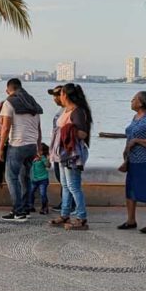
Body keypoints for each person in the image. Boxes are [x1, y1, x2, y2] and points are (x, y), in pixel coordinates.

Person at [101, 90, 146, 234]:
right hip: (134, 161)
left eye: (134, 99)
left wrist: (137, 141)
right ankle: (131, 220)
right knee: (130, 191)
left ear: (142, 102)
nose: (131, 101)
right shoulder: (135, 118)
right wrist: (126, 156)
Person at [0, 78, 43, 222]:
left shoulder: (9, 102)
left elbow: (5, 128)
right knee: (26, 178)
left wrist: (0, 149)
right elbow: (38, 127)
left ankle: (18, 211)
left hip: (17, 145)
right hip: (32, 146)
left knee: (11, 178)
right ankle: (27, 207)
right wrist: (39, 146)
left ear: (8, 89)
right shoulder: (32, 102)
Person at [48, 83, 92, 231]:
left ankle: (81, 217)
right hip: (63, 153)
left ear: (65, 95)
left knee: (74, 186)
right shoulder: (66, 110)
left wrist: (68, 130)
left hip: (72, 154)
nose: (59, 96)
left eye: (61, 93)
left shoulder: (78, 112)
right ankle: (65, 214)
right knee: (65, 185)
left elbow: (83, 133)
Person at [31, 142, 51, 215]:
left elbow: (48, 165)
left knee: (43, 193)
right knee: (31, 192)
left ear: (43, 152)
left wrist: (45, 159)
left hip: (43, 179)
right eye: (37, 150)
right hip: (34, 179)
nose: (38, 152)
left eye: (39, 150)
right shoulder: (33, 157)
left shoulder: (43, 158)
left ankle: (44, 207)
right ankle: (31, 206)